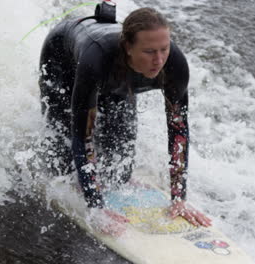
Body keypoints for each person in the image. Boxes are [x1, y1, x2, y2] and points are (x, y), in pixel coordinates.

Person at [38, 5, 211, 234]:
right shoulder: (95, 60)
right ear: (128, 47)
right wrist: (95, 207)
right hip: (63, 60)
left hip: (116, 76)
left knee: (119, 172)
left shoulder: (175, 66)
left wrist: (178, 198)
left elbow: (178, 131)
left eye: (164, 49)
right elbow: (84, 135)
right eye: (150, 51)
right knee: (65, 164)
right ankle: (79, 183)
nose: (159, 60)